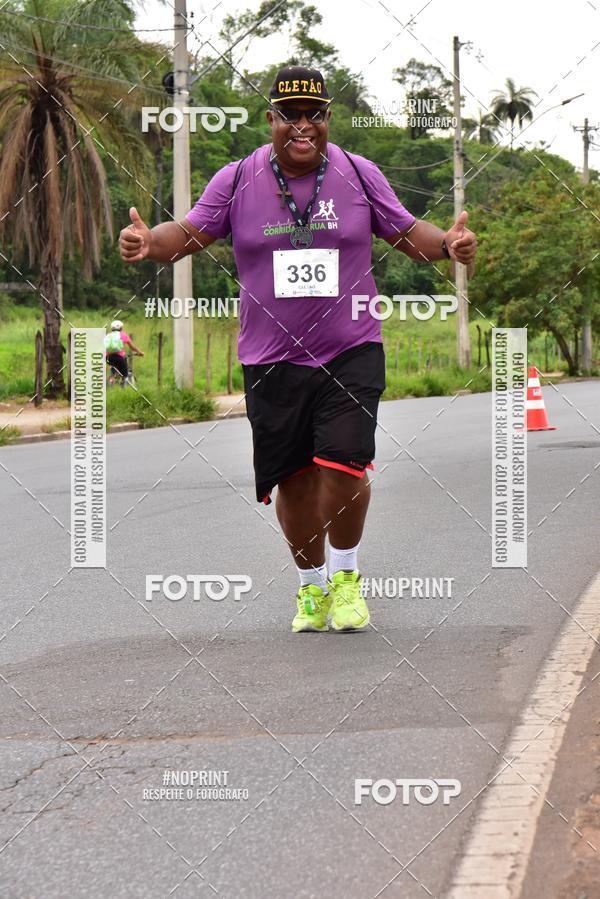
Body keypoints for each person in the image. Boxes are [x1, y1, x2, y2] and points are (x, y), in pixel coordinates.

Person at [118, 65, 477, 633]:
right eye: (290, 115)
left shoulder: (359, 175)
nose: (303, 125)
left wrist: (449, 244)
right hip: (271, 360)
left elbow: (409, 234)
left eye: (315, 114)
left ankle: (346, 577)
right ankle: (311, 587)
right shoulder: (236, 181)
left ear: (329, 118)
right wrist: (146, 241)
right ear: (271, 121)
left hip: (351, 349)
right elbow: (184, 236)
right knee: (295, 481)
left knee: (346, 465)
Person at [104, 319, 144, 385]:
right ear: (121, 328)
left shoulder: (108, 336)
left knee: (115, 371)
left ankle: (111, 381)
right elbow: (132, 347)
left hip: (107, 357)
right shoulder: (123, 335)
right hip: (118, 357)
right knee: (124, 374)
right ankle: (122, 386)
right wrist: (140, 352)